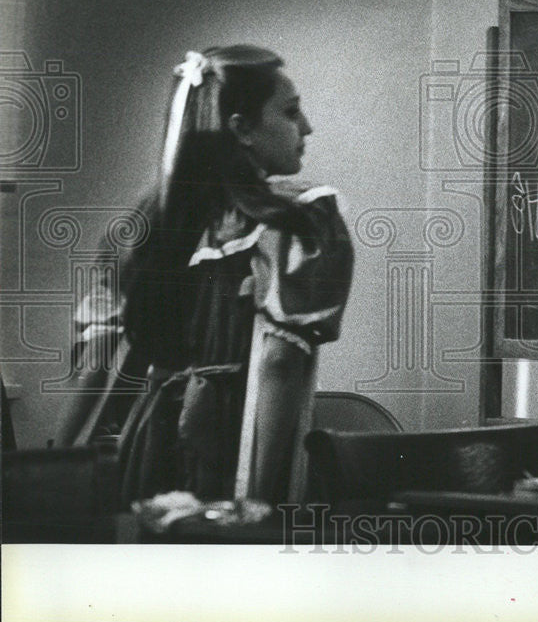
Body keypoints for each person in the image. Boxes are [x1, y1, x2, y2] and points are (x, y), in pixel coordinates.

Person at [54, 45, 354, 506]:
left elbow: (98, 361)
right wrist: (261, 497)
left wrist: (54, 464)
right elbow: (280, 364)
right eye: (292, 112)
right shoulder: (298, 217)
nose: (307, 127)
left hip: (148, 443)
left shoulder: (146, 220)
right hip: (234, 445)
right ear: (242, 129)